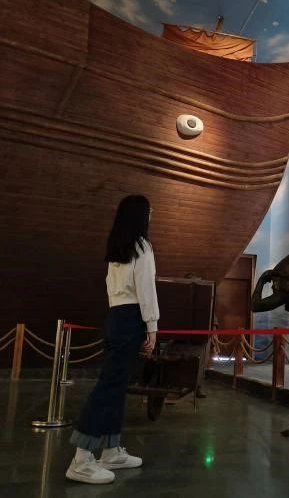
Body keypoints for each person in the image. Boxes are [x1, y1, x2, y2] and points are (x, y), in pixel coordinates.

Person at [66, 195, 159, 485]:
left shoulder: (118, 247)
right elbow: (146, 288)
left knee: (116, 386)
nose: (152, 216)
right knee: (109, 387)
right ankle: (82, 459)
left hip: (116, 316)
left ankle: (111, 449)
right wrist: (152, 326)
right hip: (131, 318)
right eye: (150, 211)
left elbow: (111, 288)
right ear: (140, 215)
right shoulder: (142, 246)